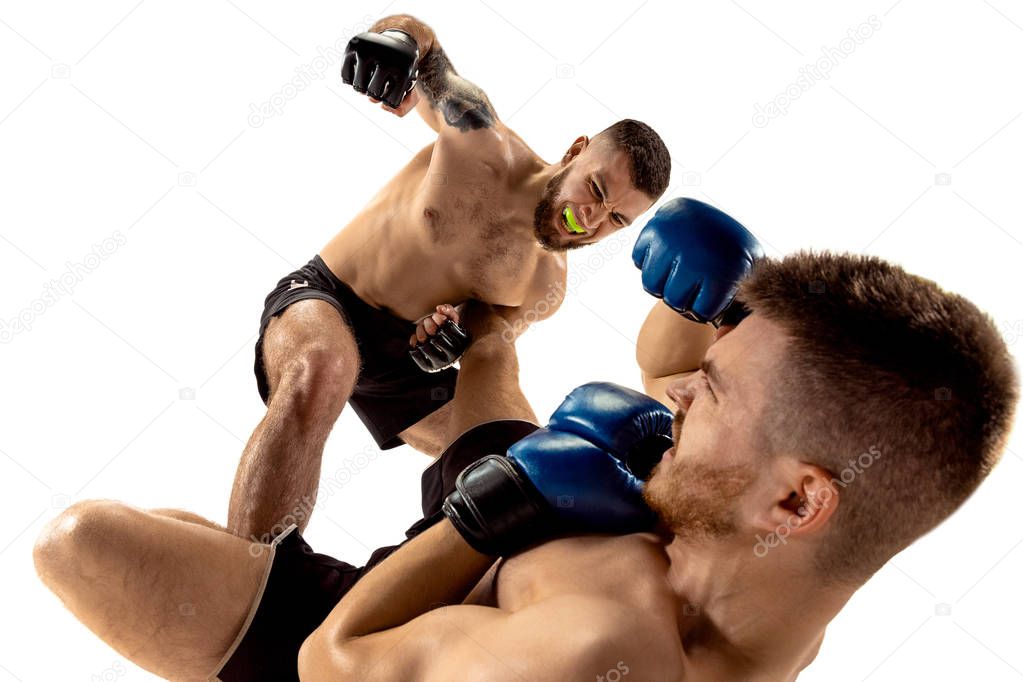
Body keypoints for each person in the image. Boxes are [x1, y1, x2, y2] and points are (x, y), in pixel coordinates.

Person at [34, 201, 1017, 681]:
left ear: (795, 499)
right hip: (532, 524)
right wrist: (738, 298)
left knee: (81, 543)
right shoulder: (766, 541)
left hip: (396, 612)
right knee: (493, 363)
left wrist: (485, 511)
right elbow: (672, 363)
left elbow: (333, 662)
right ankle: (472, 351)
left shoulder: (600, 650)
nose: (679, 396)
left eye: (710, 394)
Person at [232, 12, 671, 544]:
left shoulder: (545, 286)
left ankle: (446, 597)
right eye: (596, 191)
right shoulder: (482, 144)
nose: (593, 221)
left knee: (522, 469)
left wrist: (455, 335)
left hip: (404, 368)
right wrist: (395, 45)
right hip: (329, 299)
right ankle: (248, 574)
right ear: (575, 152)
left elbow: (484, 338)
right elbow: (426, 49)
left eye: (616, 220)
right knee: (322, 367)